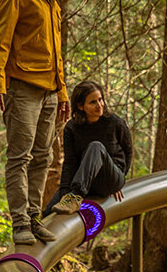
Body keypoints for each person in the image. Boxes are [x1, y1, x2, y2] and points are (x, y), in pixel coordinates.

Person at [0, 0, 71, 245]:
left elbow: (57, 52)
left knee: (42, 158)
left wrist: (62, 92)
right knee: (19, 157)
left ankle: (34, 218)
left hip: (49, 91)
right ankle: (20, 222)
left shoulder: (51, 1)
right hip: (21, 88)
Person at [46, 81, 132, 216]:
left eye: (100, 100)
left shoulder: (115, 123)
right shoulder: (72, 128)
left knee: (95, 146)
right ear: (80, 106)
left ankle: (75, 196)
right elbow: (70, 162)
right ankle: (71, 198)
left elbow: (128, 152)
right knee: (49, 212)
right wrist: (63, 193)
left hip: (110, 178)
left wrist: (117, 183)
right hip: (85, 182)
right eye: (93, 102)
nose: (99, 105)